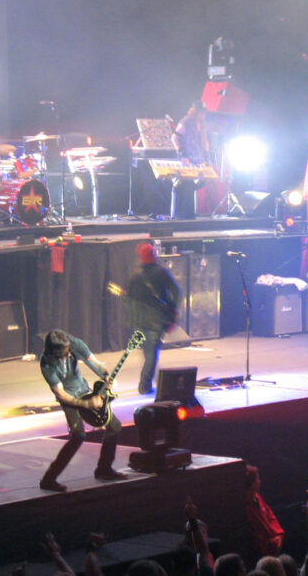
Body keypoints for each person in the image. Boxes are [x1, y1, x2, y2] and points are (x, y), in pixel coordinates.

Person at [38, 330, 124, 492]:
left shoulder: (75, 344)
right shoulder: (46, 364)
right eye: (60, 356)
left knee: (114, 426)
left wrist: (107, 378)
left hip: (83, 390)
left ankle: (104, 469)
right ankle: (48, 479)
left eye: (66, 354)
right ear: (50, 352)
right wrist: (86, 405)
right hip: (69, 399)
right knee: (78, 436)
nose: (64, 358)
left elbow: (96, 363)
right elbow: (61, 394)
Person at [125, 242, 182, 395]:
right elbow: (177, 291)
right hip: (157, 320)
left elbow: (129, 297)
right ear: (154, 255)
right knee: (152, 354)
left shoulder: (134, 274)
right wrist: (173, 309)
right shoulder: (161, 272)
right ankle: (145, 385)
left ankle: (147, 381)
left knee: (147, 354)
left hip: (140, 320)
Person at [170, 101, 210, 219]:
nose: (203, 115)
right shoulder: (186, 122)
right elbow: (175, 137)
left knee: (203, 181)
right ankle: (186, 215)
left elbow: (205, 142)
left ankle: (186, 213)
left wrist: (207, 158)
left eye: (204, 112)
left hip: (199, 158)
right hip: (187, 159)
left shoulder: (203, 124)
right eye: (200, 112)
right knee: (188, 185)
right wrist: (183, 154)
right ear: (195, 111)